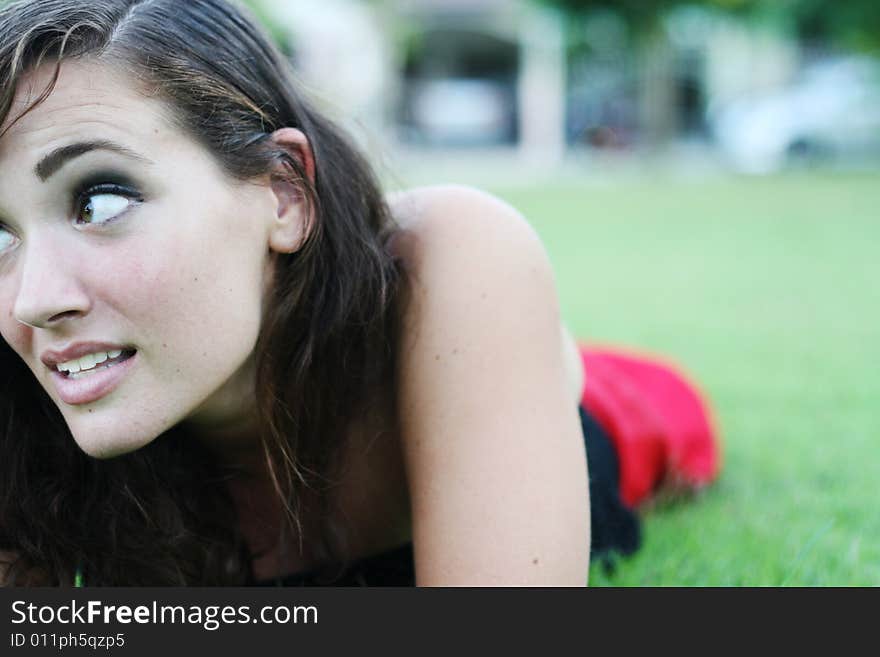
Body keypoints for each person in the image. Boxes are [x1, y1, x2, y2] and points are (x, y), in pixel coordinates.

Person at [0, 0, 718, 587]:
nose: (33, 299)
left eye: (100, 201)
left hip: (617, 408)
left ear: (283, 191)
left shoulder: (450, 256)